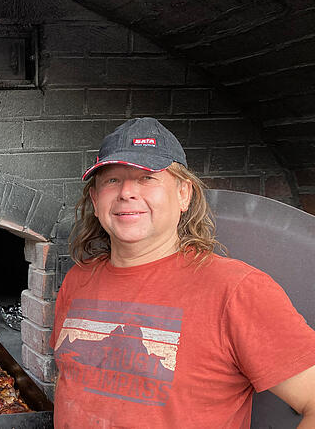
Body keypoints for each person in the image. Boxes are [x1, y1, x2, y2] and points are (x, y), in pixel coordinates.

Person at [51, 117, 315, 427]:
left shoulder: (237, 290)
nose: (126, 192)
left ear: (183, 194)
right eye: (111, 180)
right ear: (96, 200)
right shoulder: (78, 280)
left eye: (148, 177)